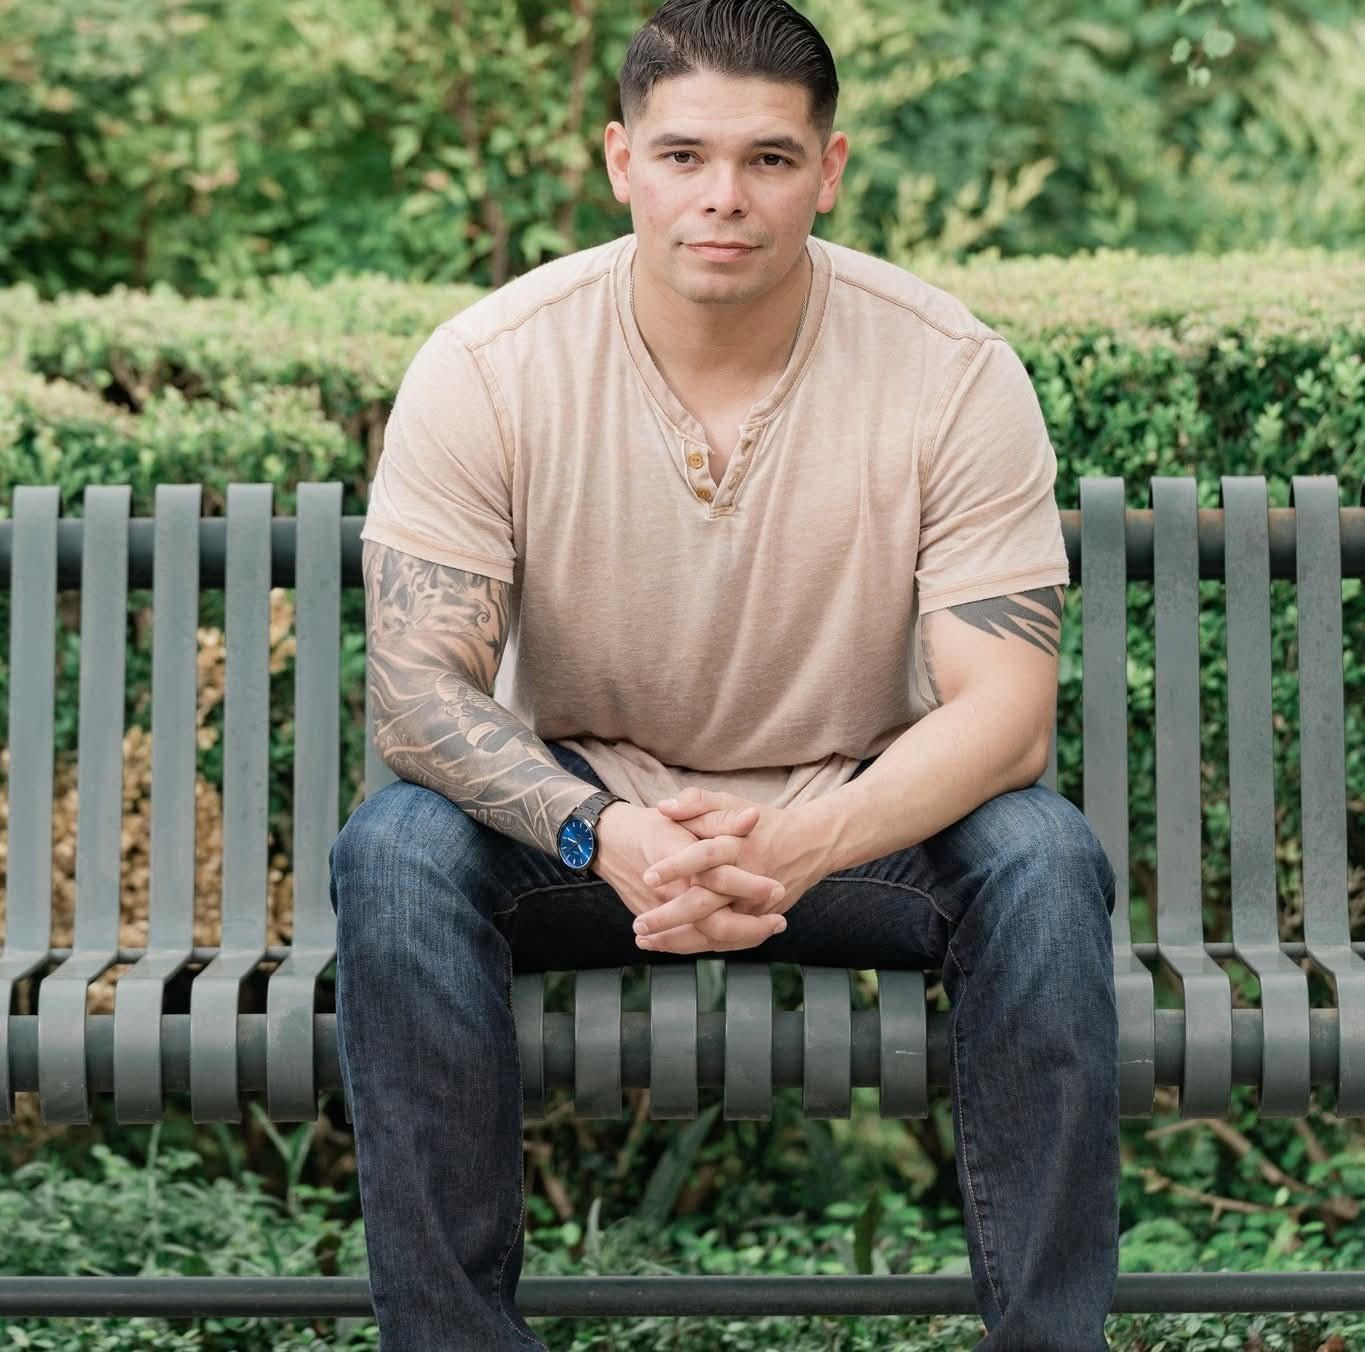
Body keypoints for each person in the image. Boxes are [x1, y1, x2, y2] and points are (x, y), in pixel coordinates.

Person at [328, 0, 1119, 1346]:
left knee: (1042, 862)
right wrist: (604, 831)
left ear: (829, 169)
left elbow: (1004, 719)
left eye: (768, 159)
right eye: (683, 155)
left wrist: (805, 844)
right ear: (619, 160)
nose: (724, 199)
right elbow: (417, 697)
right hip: (588, 824)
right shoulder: (490, 368)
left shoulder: (951, 373)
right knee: (395, 854)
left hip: (851, 815)